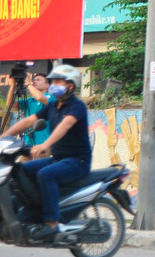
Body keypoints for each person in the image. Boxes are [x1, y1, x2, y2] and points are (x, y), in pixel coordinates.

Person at [0, 65, 91, 240]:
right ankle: (32, 212)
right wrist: (3, 137)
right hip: (58, 158)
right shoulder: (53, 106)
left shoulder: (77, 106)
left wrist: (45, 144)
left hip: (77, 161)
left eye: (57, 81)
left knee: (46, 175)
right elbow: (28, 121)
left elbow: (66, 125)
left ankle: (52, 223)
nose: (53, 84)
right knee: (19, 170)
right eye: (53, 81)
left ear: (70, 86)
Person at [4, 71, 53, 145]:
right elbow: (10, 104)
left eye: (38, 80)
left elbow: (40, 97)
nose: (35, 81)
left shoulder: (51, 97)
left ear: (47, 85)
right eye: (34, 80)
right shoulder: (30, 100)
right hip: (28, 143)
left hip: (44, 143)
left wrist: (28, 83)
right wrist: (13, 85)